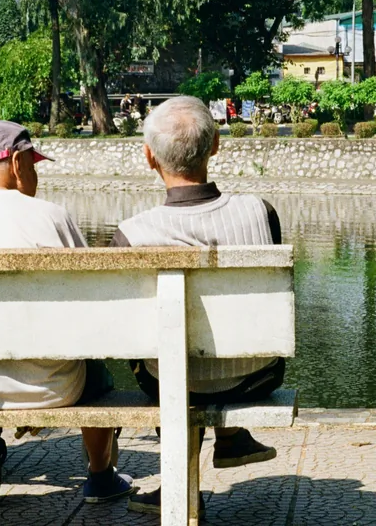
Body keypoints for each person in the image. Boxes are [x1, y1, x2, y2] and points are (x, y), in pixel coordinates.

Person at [0, 120, 136, 504]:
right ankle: (100, 475)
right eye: (33, 165)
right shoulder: (51, 217)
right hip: (51, 389)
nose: (34, 175)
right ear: (17, 164)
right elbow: (97, 307)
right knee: (97, 369)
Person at [111, 96, 286, 515]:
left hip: (167, 381)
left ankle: (178, 487)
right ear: (215, 146)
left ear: (149, 157)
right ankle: (229, 435)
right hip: (256, 375)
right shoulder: (261, 213)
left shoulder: (132, 234)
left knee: (158, 350)